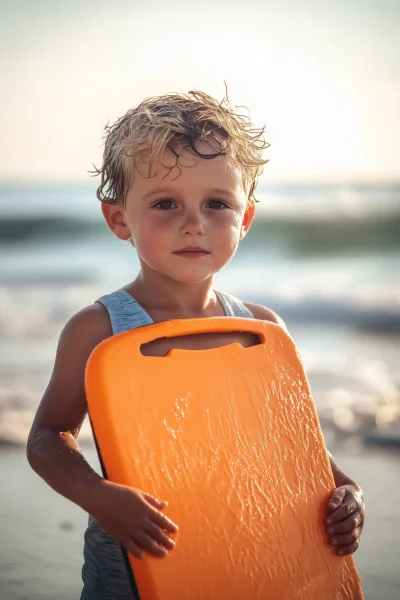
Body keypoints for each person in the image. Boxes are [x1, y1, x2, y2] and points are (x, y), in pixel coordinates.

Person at [27, 89, 365, 599]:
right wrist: (99, 497)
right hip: (138, 556)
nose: (194, 223)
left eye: (217, 204)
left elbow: (297, 449)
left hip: (245, 546)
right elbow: (48, 437)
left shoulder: (260, 330)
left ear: (245, 219)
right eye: (165, 202)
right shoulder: (99, 328)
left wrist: (346, 492)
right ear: (119, 218)